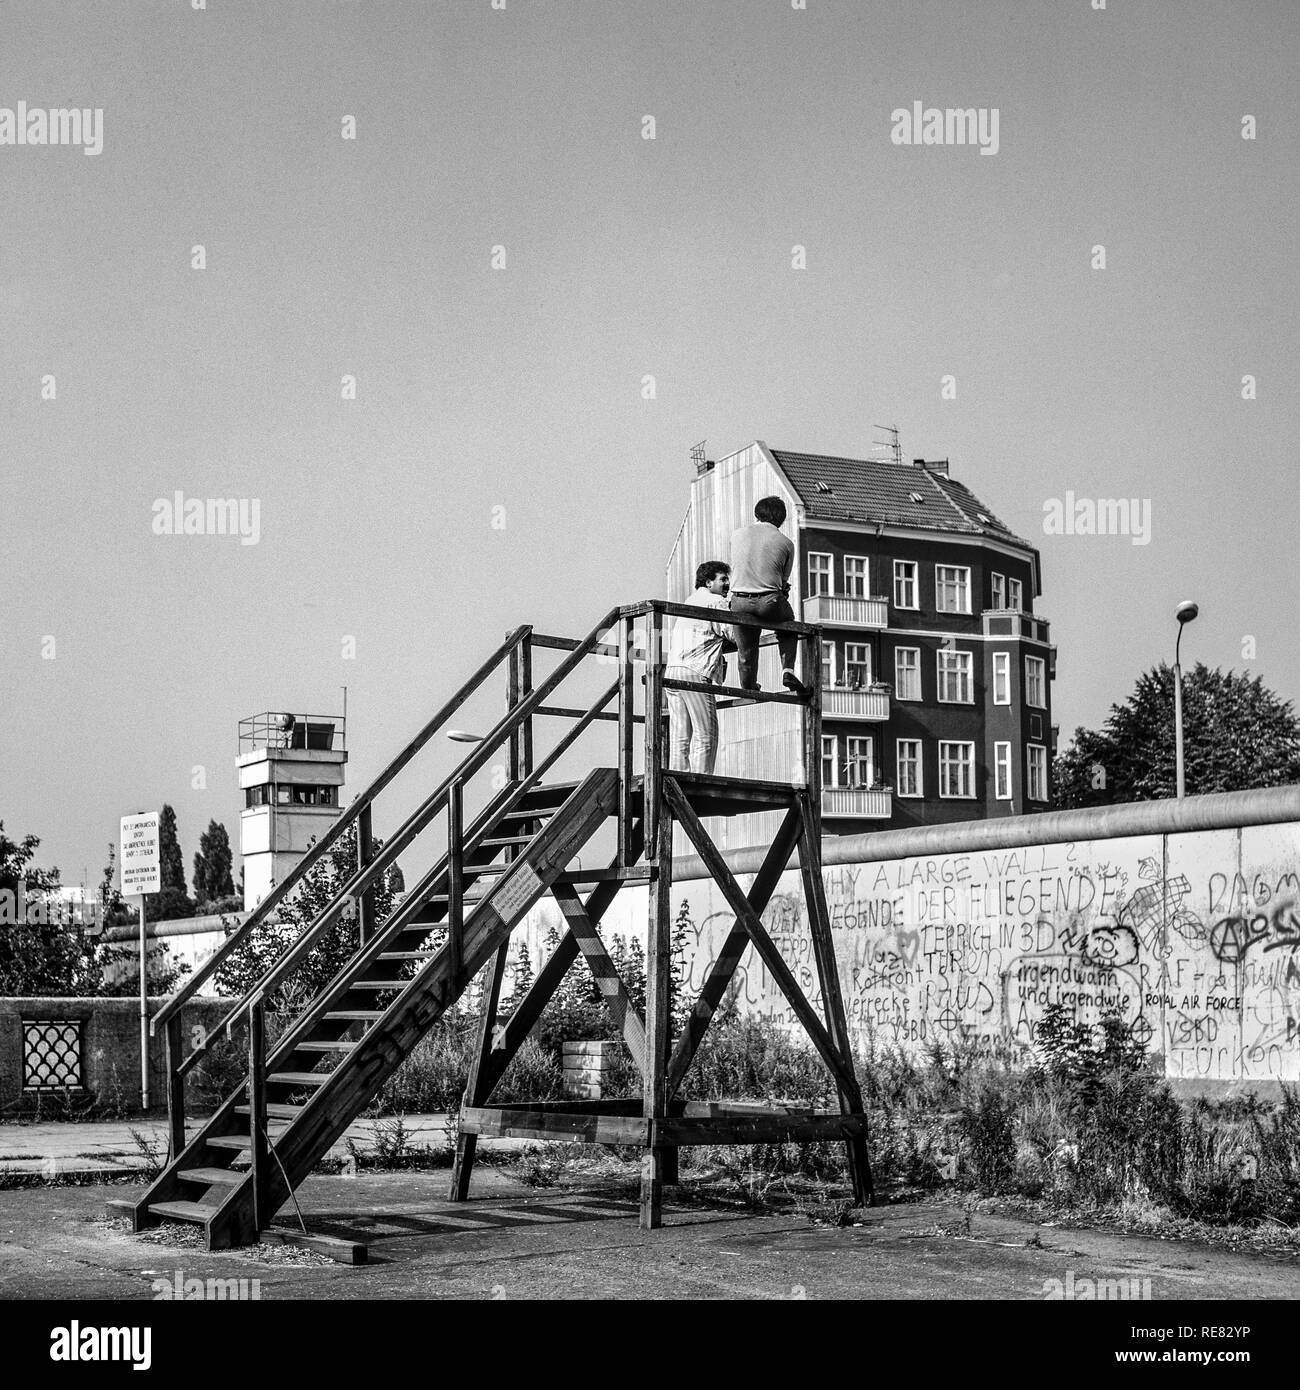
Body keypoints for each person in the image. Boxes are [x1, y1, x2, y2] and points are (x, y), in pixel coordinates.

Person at [728, 496, 808, 696]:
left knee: (746, 649)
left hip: (739, 601)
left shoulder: (736, 535)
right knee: (789, 625)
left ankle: (748, 685)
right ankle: (788, 670)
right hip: (769, 601)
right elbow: (782, 582)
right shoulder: (786, 543)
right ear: (781, 519)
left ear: (757, 514)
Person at [664, 560, 735, 775]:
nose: (727, 584)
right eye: (723, 579)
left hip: (673, 668)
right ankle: (702, 779)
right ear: (708, 581)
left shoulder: (689, 601)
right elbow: (732, 633)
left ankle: (678, 779)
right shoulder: (715, 601)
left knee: (680, 736)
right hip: (695, 670)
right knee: (706, 732)